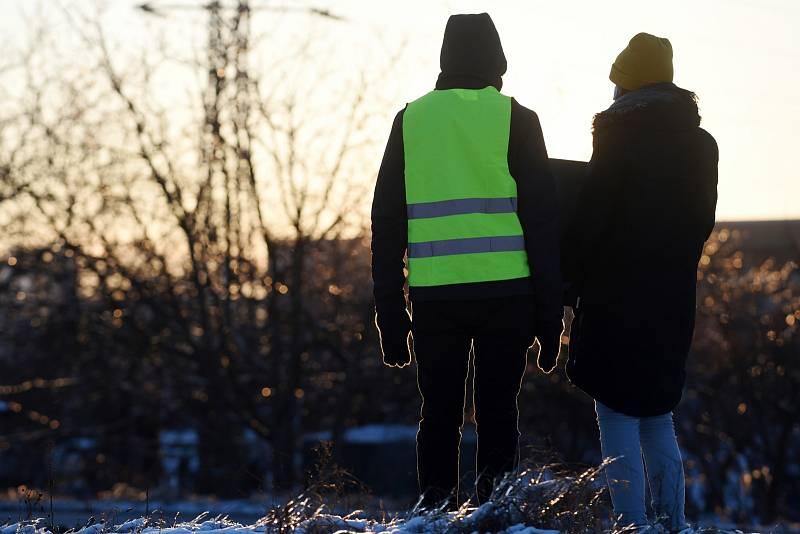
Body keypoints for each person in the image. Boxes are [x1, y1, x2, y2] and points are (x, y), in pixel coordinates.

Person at [371, 13, 563, 507]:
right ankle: (496, 516)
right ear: (498, 62)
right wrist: (549, 313)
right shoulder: (519, 119)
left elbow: (386, 224)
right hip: (509, 295)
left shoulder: (411, 119)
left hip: (437, 298)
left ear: (444, 60)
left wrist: (391, 316)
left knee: (438, 415)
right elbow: (543, 222)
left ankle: (433, 515)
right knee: (499, 414)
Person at [563, 33, 718, 531]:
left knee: (616, 412)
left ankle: (629, 524)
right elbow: (701, 223)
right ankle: (673, 522)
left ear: (624, 85)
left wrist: (571, 275)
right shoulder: (701, 145)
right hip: (672, 295)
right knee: (658, 413)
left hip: (615, 293)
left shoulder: (616, 137)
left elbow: (593, 217)